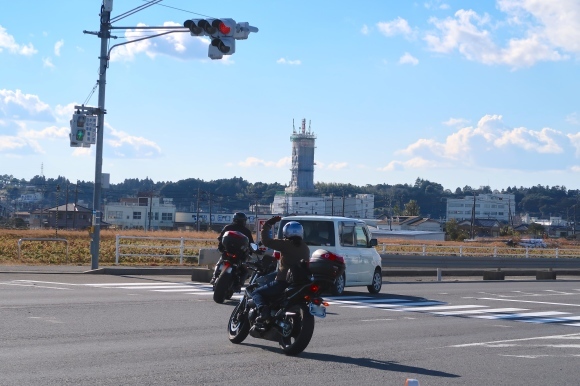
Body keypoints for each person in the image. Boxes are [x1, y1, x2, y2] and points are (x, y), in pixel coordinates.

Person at [251, 216, 310, 328]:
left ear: (286, 233)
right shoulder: (305, 247)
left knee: (256, 293)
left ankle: (264, 312)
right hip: (299, 282)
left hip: (284, 281)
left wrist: (268, 225)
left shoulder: (286, 244)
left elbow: (266, 241)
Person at [211, 212, 255, 285]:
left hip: (227, 251)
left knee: (219, 263)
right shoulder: (246, 231)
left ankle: (214, 277)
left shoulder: (228, 227)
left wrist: (221, 247)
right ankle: (238, 284)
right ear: (244, 221)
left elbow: (220, 238)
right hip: (239, 254)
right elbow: (251, 243)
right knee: (245, 270)